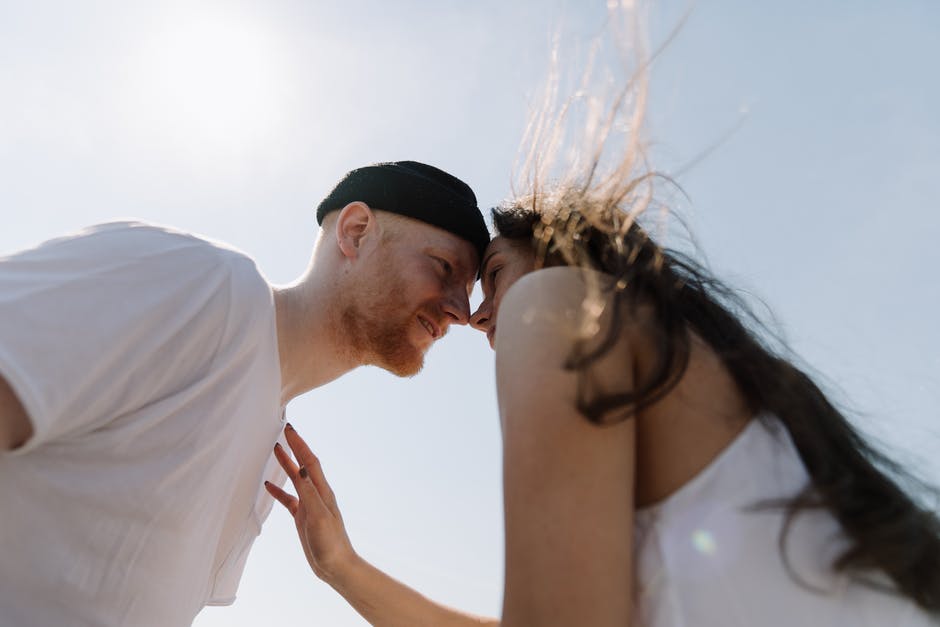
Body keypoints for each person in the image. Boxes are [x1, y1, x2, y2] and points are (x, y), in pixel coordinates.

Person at [265, 22, 940, 627]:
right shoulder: (699, 372)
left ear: (559, 255)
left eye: (491, 274)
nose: (472, 316)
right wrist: (342, 568)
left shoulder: (555, 304)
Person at [0, 160, 489, 627]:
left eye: (468, 290)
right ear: (356, 231)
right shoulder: (204, 285)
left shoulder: (274, 453)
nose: (461, 312)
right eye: (444, 267)